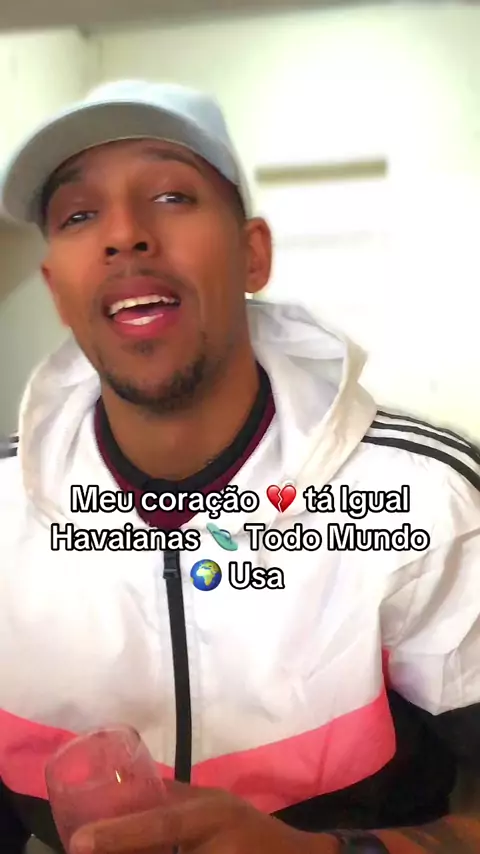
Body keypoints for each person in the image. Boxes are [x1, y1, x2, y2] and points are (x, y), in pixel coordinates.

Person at [0, 79, 479, 854]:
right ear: (58, 291)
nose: (124, 235)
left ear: (253, 255)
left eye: (171, 196)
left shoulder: (427, 500)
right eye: (79, 215)